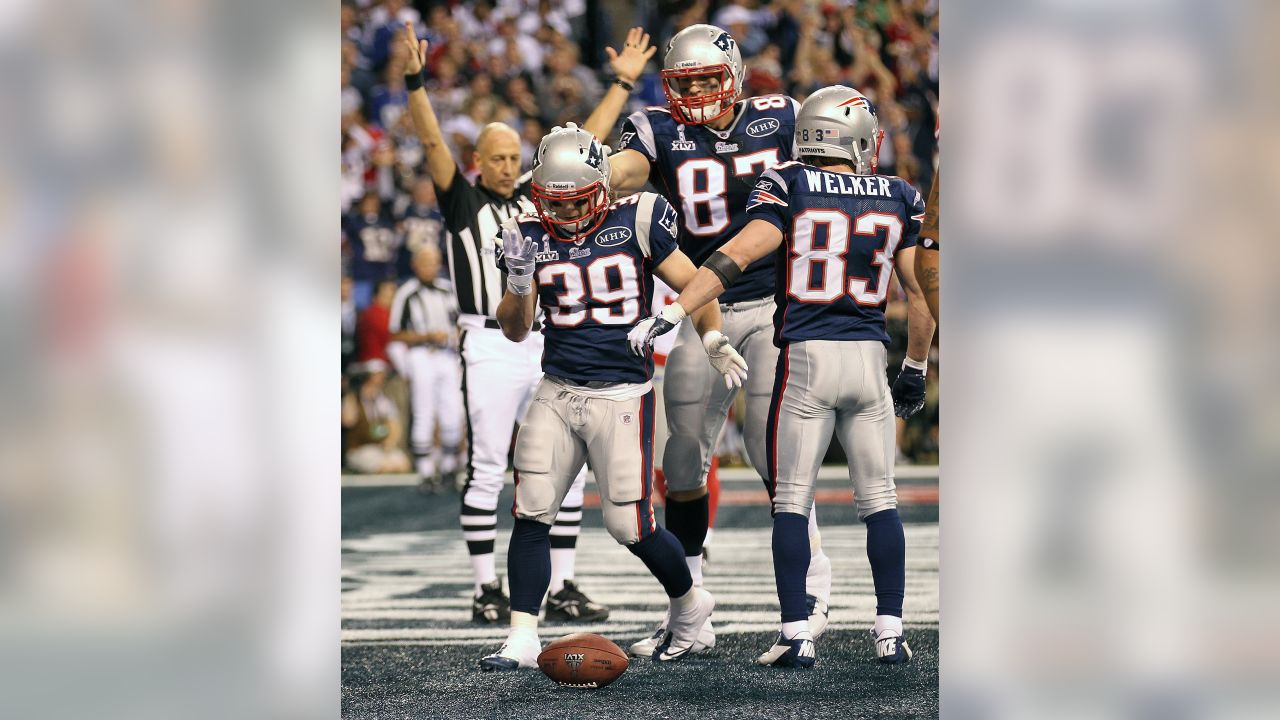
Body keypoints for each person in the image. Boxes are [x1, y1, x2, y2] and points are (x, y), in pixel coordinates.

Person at [632, 86, 936, 667]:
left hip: (804, 356)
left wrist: (675, 309)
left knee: (791, 501)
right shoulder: (899, 193)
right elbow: (919, 290)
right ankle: (890, 631)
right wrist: (916, 366)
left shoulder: (790, 182)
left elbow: (735, 256)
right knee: (881, 501)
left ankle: (797, 631)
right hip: (870, 359)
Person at [582, 24, 834, 655]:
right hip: (703, 308)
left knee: (773, 451)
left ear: (735, 74)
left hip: (780, 302)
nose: (694, 93)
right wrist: (583, 168)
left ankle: (812, 592)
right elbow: (618, 174)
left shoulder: (782, 115)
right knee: (684, 460)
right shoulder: (655, 128)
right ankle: (690, 608)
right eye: (683, 82)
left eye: (705, 79)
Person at [479, 125, 745, 670]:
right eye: (558, 202)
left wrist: (713, 336)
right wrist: (520, 281)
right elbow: (514, 329)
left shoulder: (638, 218)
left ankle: (691, 605)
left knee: (630, 525)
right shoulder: (526, 232)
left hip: (622, 392)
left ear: (601, 185)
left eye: (578, 200)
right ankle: (524, 635)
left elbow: (694, 283)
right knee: (531, 512)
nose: (570, 214)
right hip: (557, 387)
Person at [399, 22, 607, 625]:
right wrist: (416, 79)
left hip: (545, 340)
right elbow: (433, 141)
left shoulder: (537, 196)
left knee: (566, 466)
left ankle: (563, 585)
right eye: (498, 158)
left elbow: (585, 144)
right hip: (488, 343)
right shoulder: (463, 201)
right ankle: (485, 586)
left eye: (516, 157)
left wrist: (619, 83)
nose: (509, 166)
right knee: (488, 465)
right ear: (478, 162)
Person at [387, 244, 463, 491]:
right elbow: (396, 333)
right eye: (425, 262)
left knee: (453, 412)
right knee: (424, 412)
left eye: (433, 262)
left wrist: (454, 337)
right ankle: (426, 471)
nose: (430, 267)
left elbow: (462, 321)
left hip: (448, 354)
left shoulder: (448, 290)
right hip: (422, 355)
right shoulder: (406, 293)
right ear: (415, 265)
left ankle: (450, 466)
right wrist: (426, 336)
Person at [342, 360, 412, 474]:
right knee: (384, 467)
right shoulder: (353, 398)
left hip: (379, 448)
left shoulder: (382, 399)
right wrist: (350, 393)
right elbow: (348, 420)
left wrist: (389, 442)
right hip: (360, 449)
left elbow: (394, 424)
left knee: (402, 465)